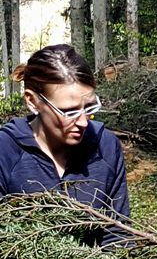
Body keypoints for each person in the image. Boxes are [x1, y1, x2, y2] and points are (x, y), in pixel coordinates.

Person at [0, 44, 129, 247]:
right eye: (68, 111)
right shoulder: (5, 151)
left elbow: (118, 235)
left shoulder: (105, 146)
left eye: (89, 107)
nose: (84, 122)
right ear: (33, 102)